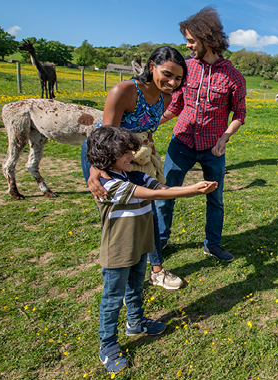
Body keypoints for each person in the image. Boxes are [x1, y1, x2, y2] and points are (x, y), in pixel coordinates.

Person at [87, 126, 218, 374]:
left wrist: (192, 188)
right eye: (126, 153)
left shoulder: (134, 175)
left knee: (136, 287)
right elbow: (149, 195)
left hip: (140, 245)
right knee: (113, 298)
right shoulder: (107, 184)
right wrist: (192, 190)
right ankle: (108, 345)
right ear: (108, 155)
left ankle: (135, 323)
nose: (132, 156)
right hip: (118, 251)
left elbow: (162, 189)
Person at [85, 46, 188, 290]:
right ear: (151, 66)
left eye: (178, 78)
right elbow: (105, 137)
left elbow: (147, 128)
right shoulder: (124, 91)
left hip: (133, 157)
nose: (172, 82)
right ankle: (116, 281)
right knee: (119, 220)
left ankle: (157, 272)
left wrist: (149, 153)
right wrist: (95, 171)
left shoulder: (166, 98)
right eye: (167, 74)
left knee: (147, 214)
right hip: (105, 156)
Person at [155, 6, 246, 262]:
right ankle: (160, 241)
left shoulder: (234, 77)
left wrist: (224, 138)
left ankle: (213, 244)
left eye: (192, 41)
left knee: (215, 199)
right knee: (165, 193)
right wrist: (152, 125)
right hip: (180, 143)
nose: (189, 47)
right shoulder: (186, 68)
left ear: (207, 39)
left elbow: (239, 114)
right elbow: (175, 106)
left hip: (212, 149)